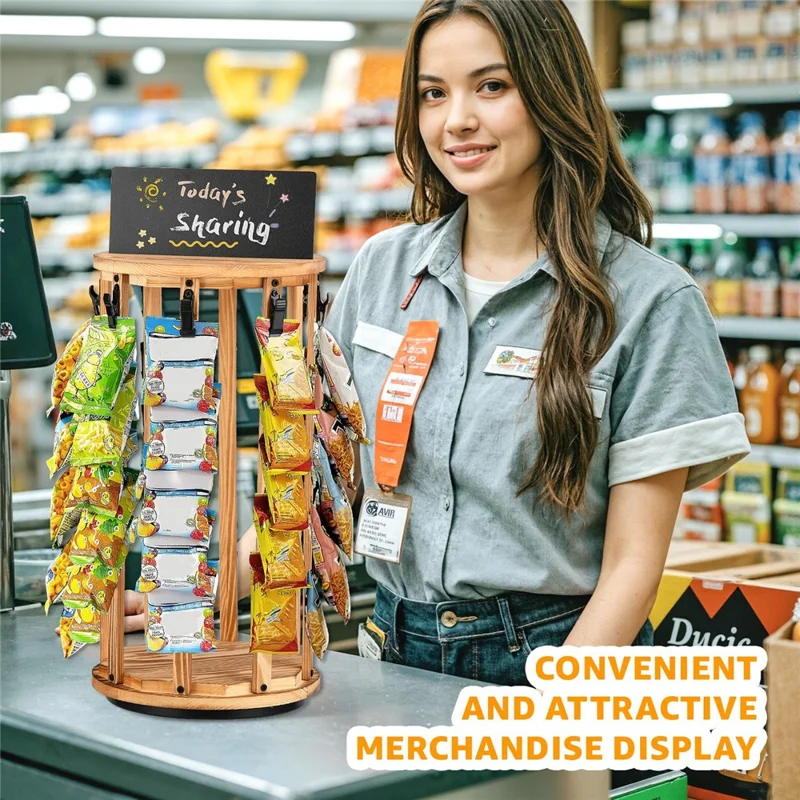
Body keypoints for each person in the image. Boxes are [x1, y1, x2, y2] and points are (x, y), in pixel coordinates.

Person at [124, 0, 750, 686]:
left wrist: (550, 712)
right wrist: (188, 604)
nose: (456, 120)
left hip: (556, 658)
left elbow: (633, 564)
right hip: (389, 646)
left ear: (552, 92)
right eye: (432, 93)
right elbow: (310, 489)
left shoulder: (649, 300)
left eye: (492, 86)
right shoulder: (382, 269)